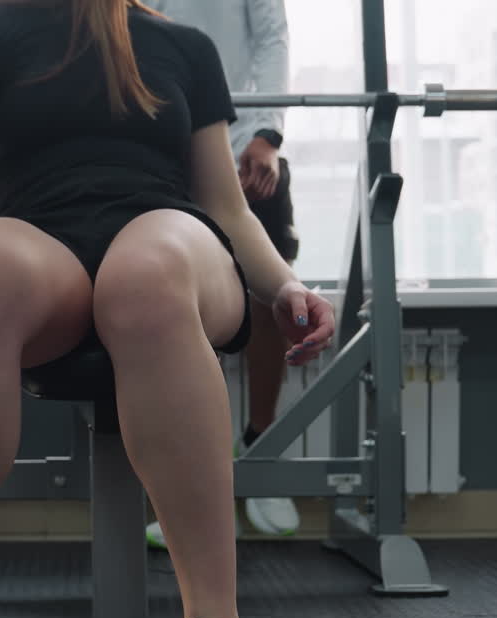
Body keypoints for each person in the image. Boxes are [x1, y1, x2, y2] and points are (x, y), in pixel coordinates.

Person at [0, 1, 335, 618]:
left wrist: (287, 285)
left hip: (173, 245)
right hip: (46, 251)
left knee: (143, 276)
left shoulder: (183, 46)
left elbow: (227, 205)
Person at [142, 0, 304, 546]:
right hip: (163, 146)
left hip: (245, 145)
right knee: (171, 303)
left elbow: (273, 38)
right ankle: (193, 471)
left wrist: (269, 134)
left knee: (272, 298)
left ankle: (260, 445)